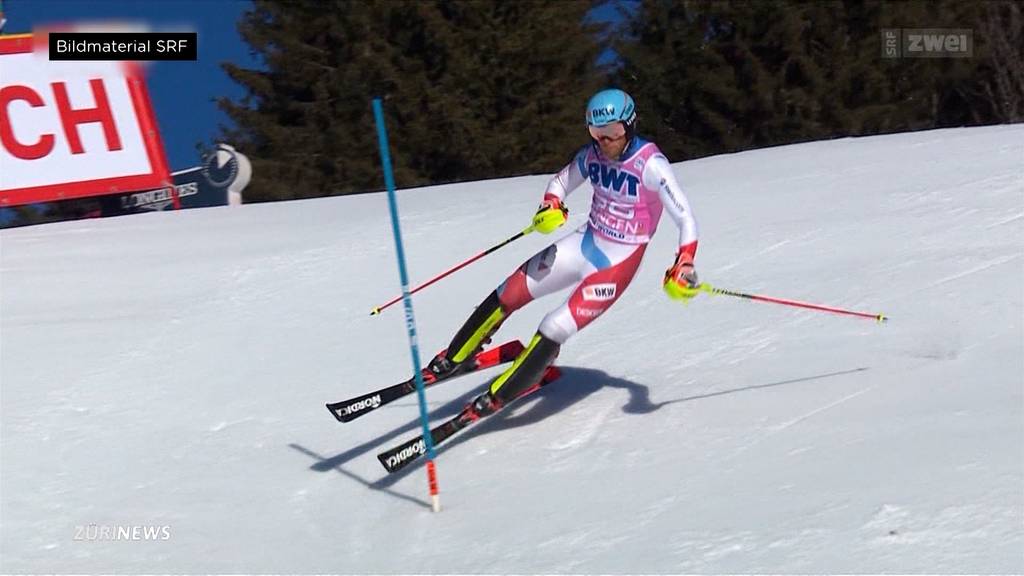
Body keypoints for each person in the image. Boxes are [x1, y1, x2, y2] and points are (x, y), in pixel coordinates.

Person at [427, 88, 701, 418]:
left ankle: (498, 397)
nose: (605, 142)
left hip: (617, 262)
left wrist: (684, 261)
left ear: (629, 127)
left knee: (554, 325)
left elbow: (685, 216)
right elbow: (560, 182)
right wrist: (551, 204)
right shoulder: (592, 156)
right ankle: (455, 355)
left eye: (613, 133)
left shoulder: (651, 164)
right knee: (510, 290)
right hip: (584, 242)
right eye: (596, 133)